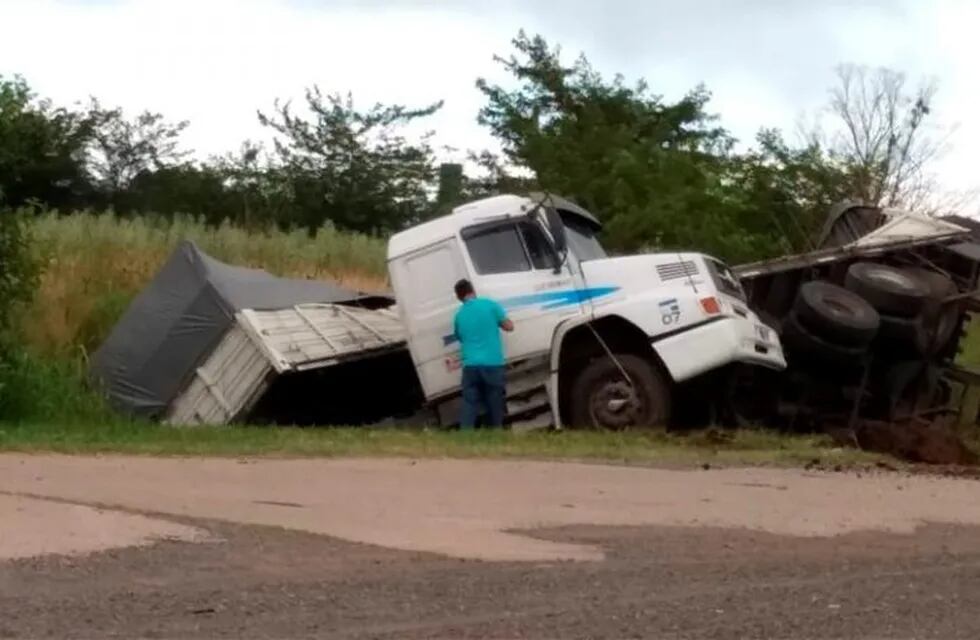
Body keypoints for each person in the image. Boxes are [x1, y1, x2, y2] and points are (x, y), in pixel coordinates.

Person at [452, 279, 514, 429]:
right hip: (492, 364)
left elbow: (460, 337)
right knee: (494, 402)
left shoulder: (458, 316)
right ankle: (496, 433)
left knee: (469, 403)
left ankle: (465, 436)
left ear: (459, 297)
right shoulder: (489, 305)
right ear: (473, 291)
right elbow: (509, 326)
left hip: (470, 366)